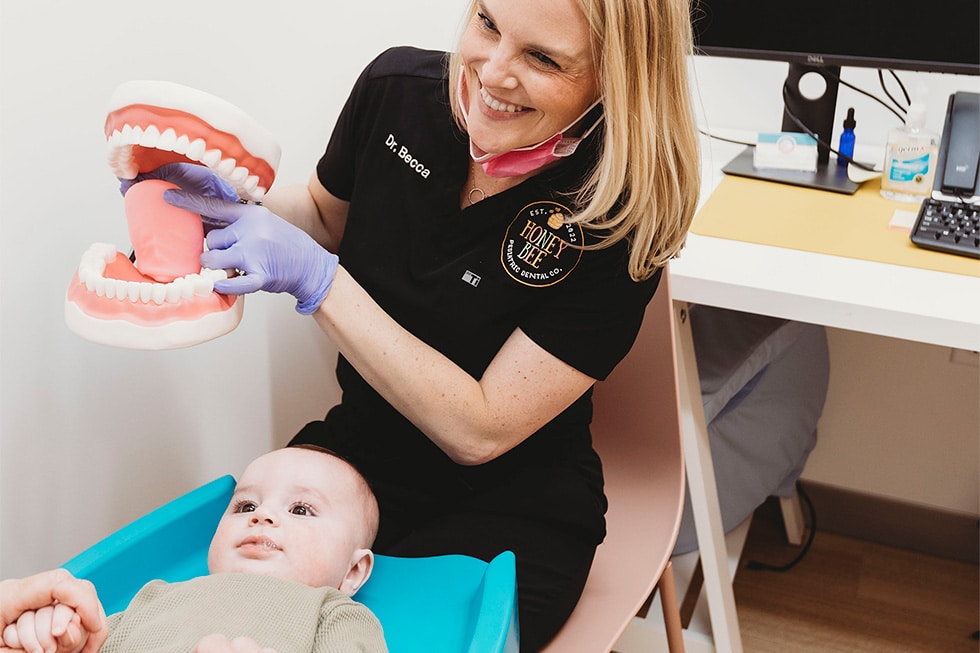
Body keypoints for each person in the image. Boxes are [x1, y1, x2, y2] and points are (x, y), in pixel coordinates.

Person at [151, 0, 701, 648]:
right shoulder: (395, 95)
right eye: (489, 23)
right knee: (227, 619)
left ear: (616, 76)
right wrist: (238, 201)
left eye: (543, 58)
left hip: (511, 507)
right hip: (357, 453)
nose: (492, 74)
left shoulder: (621, 212)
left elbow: (480, 426)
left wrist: (319, 281)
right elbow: (329, 219)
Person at [2, 446, 387, 653]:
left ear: (353, 572)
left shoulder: (333, 612)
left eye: (301, 509)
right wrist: (55, 637)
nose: (263, 515)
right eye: (245, 506)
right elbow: (95, 644)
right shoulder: (157, 593)